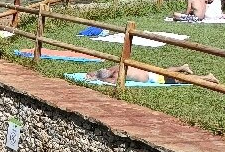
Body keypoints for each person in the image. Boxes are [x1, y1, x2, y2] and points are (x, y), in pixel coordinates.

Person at [86, 63, 219, 85]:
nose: (101, 69)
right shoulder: (114, 68)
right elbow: (97, 72)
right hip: (149, 73)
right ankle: (182, 67)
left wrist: (97, 78)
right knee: (165, 71)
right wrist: (94, 74)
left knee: (179, 80)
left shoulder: (115, 74)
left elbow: (110, 81)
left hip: (152, 79)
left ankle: (207, 77)